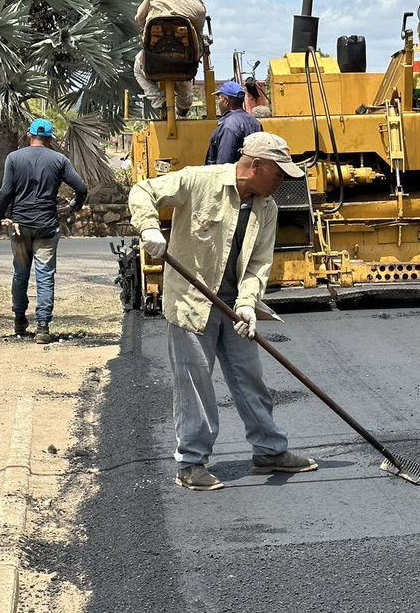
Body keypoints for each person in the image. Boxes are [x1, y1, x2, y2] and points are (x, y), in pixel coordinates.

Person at [128, 131, 317, 491]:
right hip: (193, 303)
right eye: (279, 174)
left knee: (250, 378)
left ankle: (269, 450)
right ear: (256, 166)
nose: (282, 182)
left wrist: (247, 302)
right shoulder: (200, 181)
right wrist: (149, 228)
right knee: (195, 384)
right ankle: (191, 463)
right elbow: (143, 191)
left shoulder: (268, 208)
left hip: (233, 308)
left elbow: (259, 263)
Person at [0, 119, 88, 344]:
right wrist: (74, 206)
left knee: (20, 273)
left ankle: (20, 321)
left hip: (19, 227)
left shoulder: (14, 158)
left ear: (28, 135)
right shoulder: (59, 160)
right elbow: (81, 188)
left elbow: (5, 192)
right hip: (46, 227)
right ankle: (42, 327)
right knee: (44, 275)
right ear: (50, 139)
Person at [134, 0, 214, 118]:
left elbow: (139, 17)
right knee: (185, 91)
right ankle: (183, 109)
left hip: (153, 61)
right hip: (183, 65)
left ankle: (159, 102)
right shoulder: (199, 9)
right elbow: (197, 38)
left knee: (138, 69)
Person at [204, 81, 262, 165]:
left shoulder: (228, 126)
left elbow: (224, 165)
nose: (218, 102)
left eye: (219, 99)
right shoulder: (256, 123)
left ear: (226, 101)